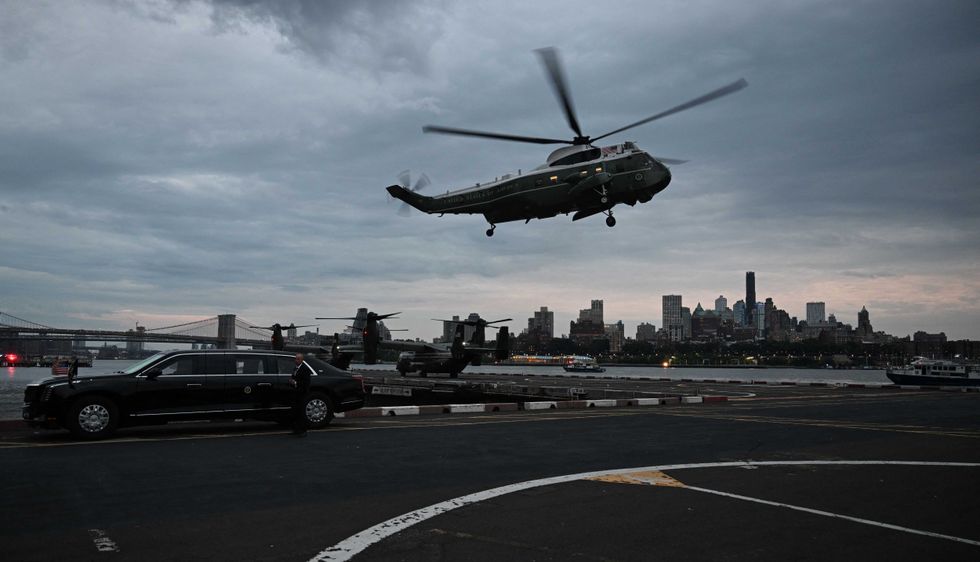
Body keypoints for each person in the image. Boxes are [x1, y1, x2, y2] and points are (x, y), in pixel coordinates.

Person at [289, 353, 313, 436]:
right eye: (296, 359)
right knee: (295, 412)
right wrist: (292, 381)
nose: (296, 360)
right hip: (296, 393)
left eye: (298, 359)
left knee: (301, 412)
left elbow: (306, 382)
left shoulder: (305, 369)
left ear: (302, 360)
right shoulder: (296, 368)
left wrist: (295, 382)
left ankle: (303, 430)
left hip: (302, 394)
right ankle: (296, 430)